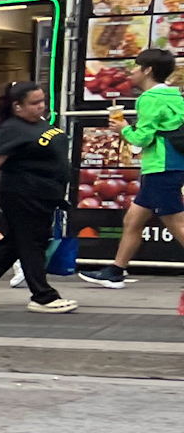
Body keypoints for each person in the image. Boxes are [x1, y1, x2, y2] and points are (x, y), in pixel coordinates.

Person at [0, 80, 75, 313]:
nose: (41, 106)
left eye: (42, 101)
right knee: (32, 244)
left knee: (14, 244)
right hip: (23, 194)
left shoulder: (36, 123)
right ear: (17, 106)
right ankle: (42, 296)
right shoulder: (10, 129)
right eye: (34, 103)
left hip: (42, 194)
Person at [79, 47, 184, 288]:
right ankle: (116, 271)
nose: (132, 72)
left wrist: (123, 129)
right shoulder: (175, 96)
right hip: (170, 165)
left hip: (161, 166)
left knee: (176, 223)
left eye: (136, 67)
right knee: (133, 220)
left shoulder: (148, 99)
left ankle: (116, 271)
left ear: (148, 70)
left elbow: (142, 139)